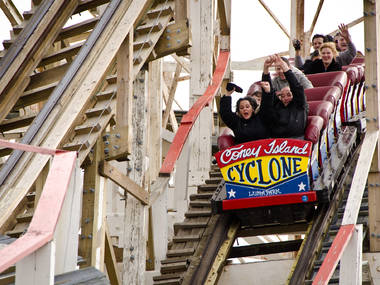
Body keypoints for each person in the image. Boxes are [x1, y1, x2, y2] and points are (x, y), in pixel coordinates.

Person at [261, 54, 308, 139]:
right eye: (282, 96)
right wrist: (266, 68)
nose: (285, 98)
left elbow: (296, 87)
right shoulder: (278, 105)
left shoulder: (299, 104)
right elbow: (267, 90)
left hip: (296, 140)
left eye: (288, 95)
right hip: (276, 140)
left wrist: (284, 67)